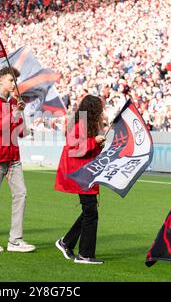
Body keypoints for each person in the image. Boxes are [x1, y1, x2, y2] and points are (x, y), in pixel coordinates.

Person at [0, 66, 35, 253]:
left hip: (13, 156)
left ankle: (15, 240)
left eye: (15, 81)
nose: (14, 84)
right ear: (1, 80)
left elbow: (20, 132)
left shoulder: (14, 102)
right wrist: (15, 113)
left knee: (21, 194)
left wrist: (22, 114)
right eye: (11, 80)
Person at [54, 94, 106, 264]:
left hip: (83, 173)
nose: (102, 112)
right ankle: (85, 254)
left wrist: (96, 144)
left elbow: (85, 149)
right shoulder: (78, 125)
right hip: (79, 174)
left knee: (88, 211)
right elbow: (76, 149)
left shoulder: (84, 124)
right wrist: (94, 142)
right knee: (91, 212)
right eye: (99, 110)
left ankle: (66, 243)